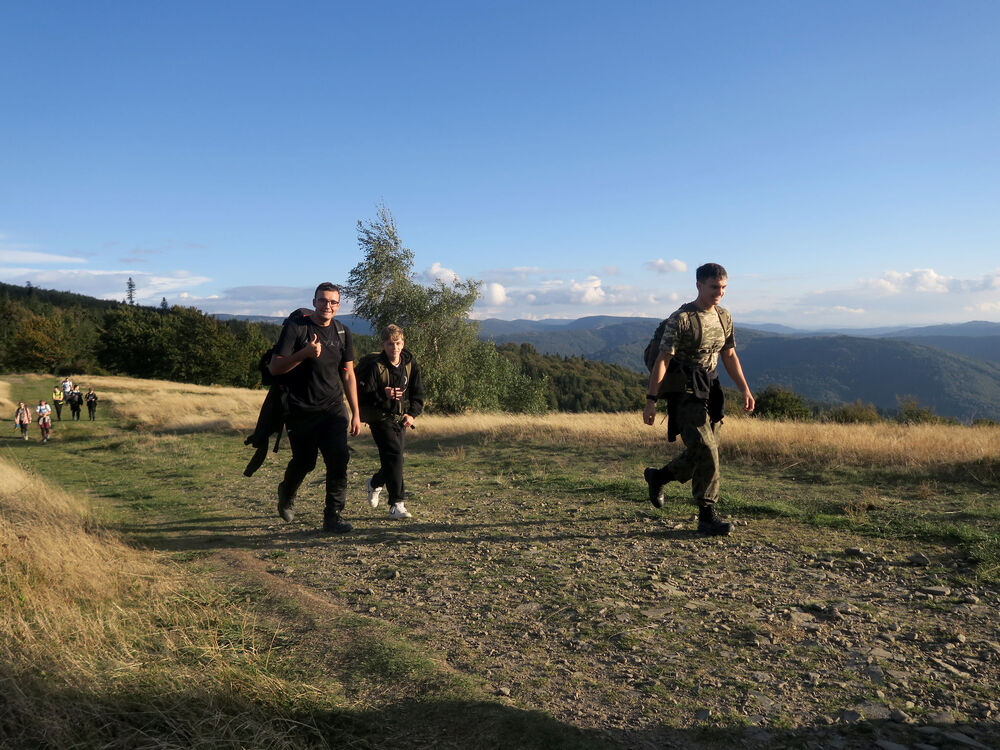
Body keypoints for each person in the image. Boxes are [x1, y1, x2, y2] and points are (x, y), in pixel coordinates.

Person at [642, 263, 755, 536]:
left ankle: (659, 476)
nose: (720, 292)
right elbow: (663, 359)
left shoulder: (724, 317)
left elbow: (729, 355)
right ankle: (707, 515)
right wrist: (651, 400)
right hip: (685, 391)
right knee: (707, 451)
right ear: (699, 285)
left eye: (723, 287)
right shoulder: (680, 319)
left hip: (711, 388)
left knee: (702, 451)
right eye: (714, 287)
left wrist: (745, 389)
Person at [268, 282, 361, 534]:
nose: (327, 306)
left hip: (333, 409)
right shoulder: (297, 328)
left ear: (338, 306)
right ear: (314, 302)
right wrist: (304, 353)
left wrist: (356, 413)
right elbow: (275, 368)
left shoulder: (342, 332)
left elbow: (349, 374)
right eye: (322, 300)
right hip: (300, 410)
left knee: (339, 459)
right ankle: (286, 492)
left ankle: (333, 517)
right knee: (305, 462)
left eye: (332, 302)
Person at [357, 324, 424, 520]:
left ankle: (375, 483)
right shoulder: (375, 366)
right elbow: (363, 395)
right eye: (389, 344)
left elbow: (418, 394)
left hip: (401, 419)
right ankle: (396, 504)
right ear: (383, 345)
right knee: (395, 456)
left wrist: (412, 414)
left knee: (395, 460)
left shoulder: (410, 365)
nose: (394, 348)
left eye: (397, 343)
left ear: (403, 344)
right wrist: (383, 394)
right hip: (379, 418)